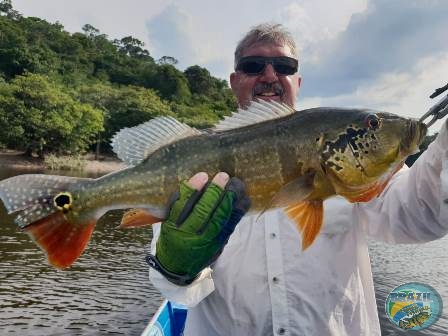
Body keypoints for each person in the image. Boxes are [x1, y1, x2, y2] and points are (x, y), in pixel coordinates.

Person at [148, 23, 448, 335]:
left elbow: (420, 216)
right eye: (252, 66)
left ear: (298, 81)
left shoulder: (362, 169)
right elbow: (174, 289)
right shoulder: (192, 164)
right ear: (234, 81)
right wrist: (176, 268)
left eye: (284, 66)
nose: (268, 75)